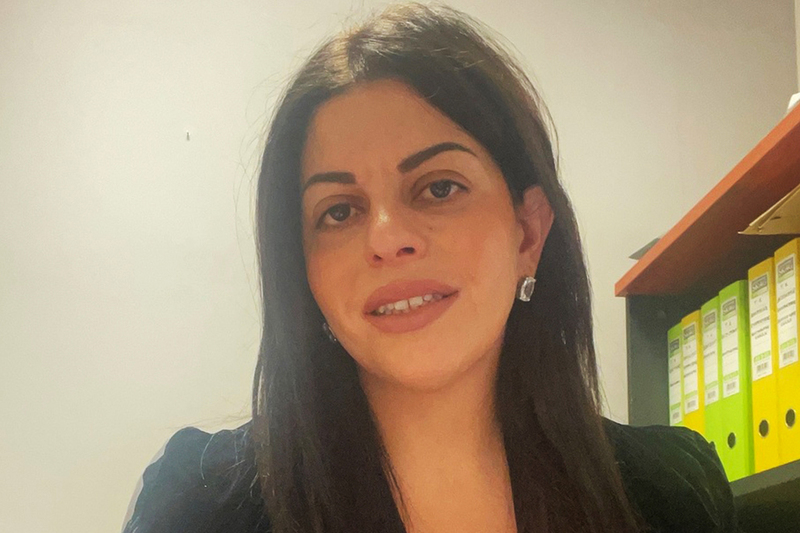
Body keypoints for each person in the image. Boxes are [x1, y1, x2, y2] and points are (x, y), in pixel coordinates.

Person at [123, 3, 740, 532]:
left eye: (439, 187)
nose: (386, 238)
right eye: (339, 211)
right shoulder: (201, 505)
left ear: (528, 233)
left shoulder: (672, 492)